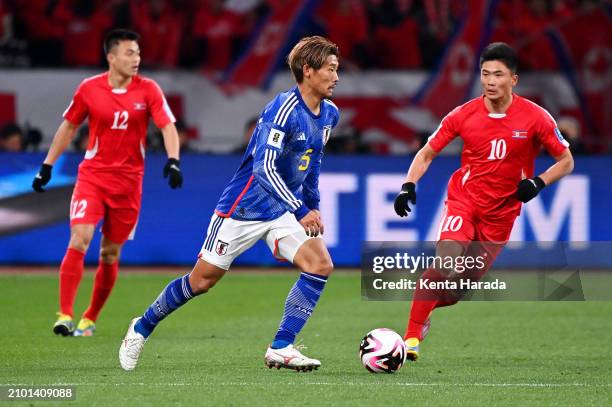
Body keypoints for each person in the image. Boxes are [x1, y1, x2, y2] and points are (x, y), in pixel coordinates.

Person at [119, 36, 340, 372]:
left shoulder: (329, 115)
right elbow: (263, 169)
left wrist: (313, 203)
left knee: (320, 265)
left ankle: (281, 346)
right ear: (308, 71)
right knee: (202, 281)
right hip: (244, 207)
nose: (336, 77)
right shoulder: (283, 110)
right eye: (330, 69)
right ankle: (142, 327)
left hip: (282, 208)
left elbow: (311, 164)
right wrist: (301, 209)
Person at [393, 42, 574, 361]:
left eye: (498, 74)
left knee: (457, 290)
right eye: (485, 74)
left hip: (501, 213)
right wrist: (409, 185)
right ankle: (410, 338)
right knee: (446, 260)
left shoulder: (536, 117)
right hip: (464, 201)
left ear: (513, 79)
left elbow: (566, 160)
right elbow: (427, 152)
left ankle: (426, 309)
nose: (490, 81)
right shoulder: (463, 114)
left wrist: (538, 182)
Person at [32, 29, 183, 337]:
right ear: (111, 57)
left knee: (109, 253)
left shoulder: (149, 90)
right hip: (93, 177)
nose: (136, 59)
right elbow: (68, 127)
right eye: (130, 53)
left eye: (138, 53)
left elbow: (167, 126)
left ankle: (90, 317)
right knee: (80, 238)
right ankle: (65, 314)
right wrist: (47, 165)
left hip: (128, 184)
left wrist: (173, 159)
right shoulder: (89, 89)